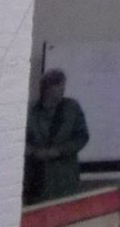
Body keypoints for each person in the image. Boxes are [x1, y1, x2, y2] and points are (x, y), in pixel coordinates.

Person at [24, 69, 89, 203]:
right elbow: (18, 141)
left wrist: (59, 151)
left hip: (64, 178)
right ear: (45, 90)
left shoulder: (72, 108)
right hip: (36, 178)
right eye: (55, 90)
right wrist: (33, 152)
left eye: (62, 88)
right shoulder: (29, 111)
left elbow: (82, 137)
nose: (60, 93)